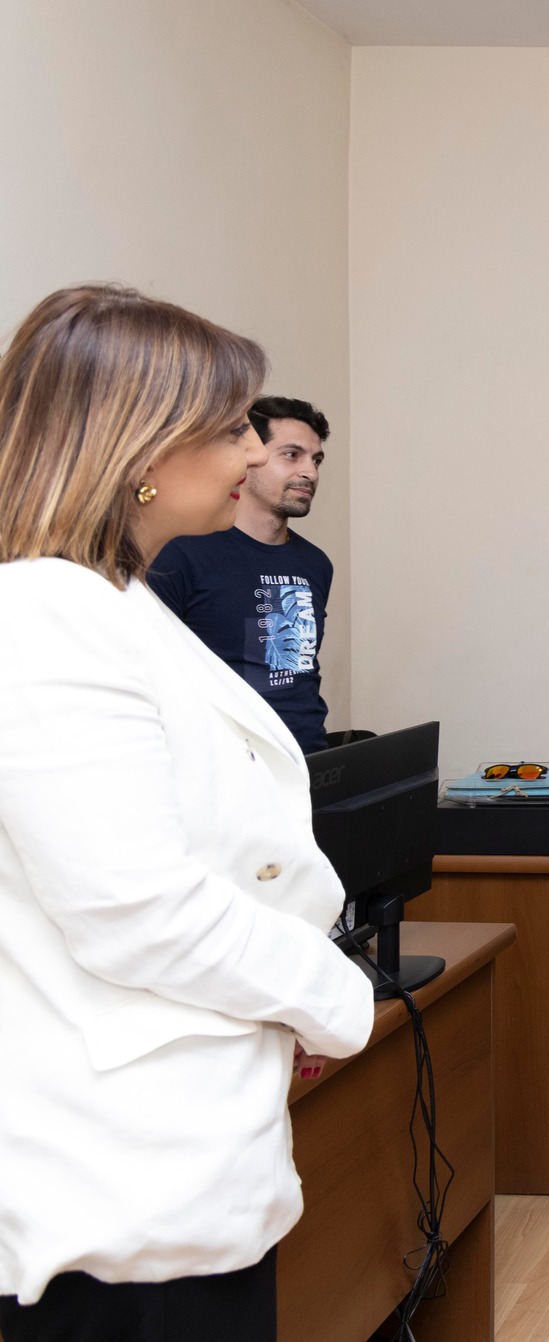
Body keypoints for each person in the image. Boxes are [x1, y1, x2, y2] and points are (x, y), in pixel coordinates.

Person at [0, 285, 374, 1340]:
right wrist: (327, 993)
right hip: (115, 1179)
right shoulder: (44, 616)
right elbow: (137, 907)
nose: (252, 455)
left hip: (181, 1153)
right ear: (140, 451)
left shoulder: (116, 600)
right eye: (230, 429)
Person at [149, 395, 335, 754]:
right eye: (292, 455)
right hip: (227, 764)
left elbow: (295, 673)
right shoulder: (182, 553)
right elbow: (155, 677)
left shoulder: (315, 563)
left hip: (308, 760)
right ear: (247, 459)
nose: (310, 472)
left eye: (316, 460)